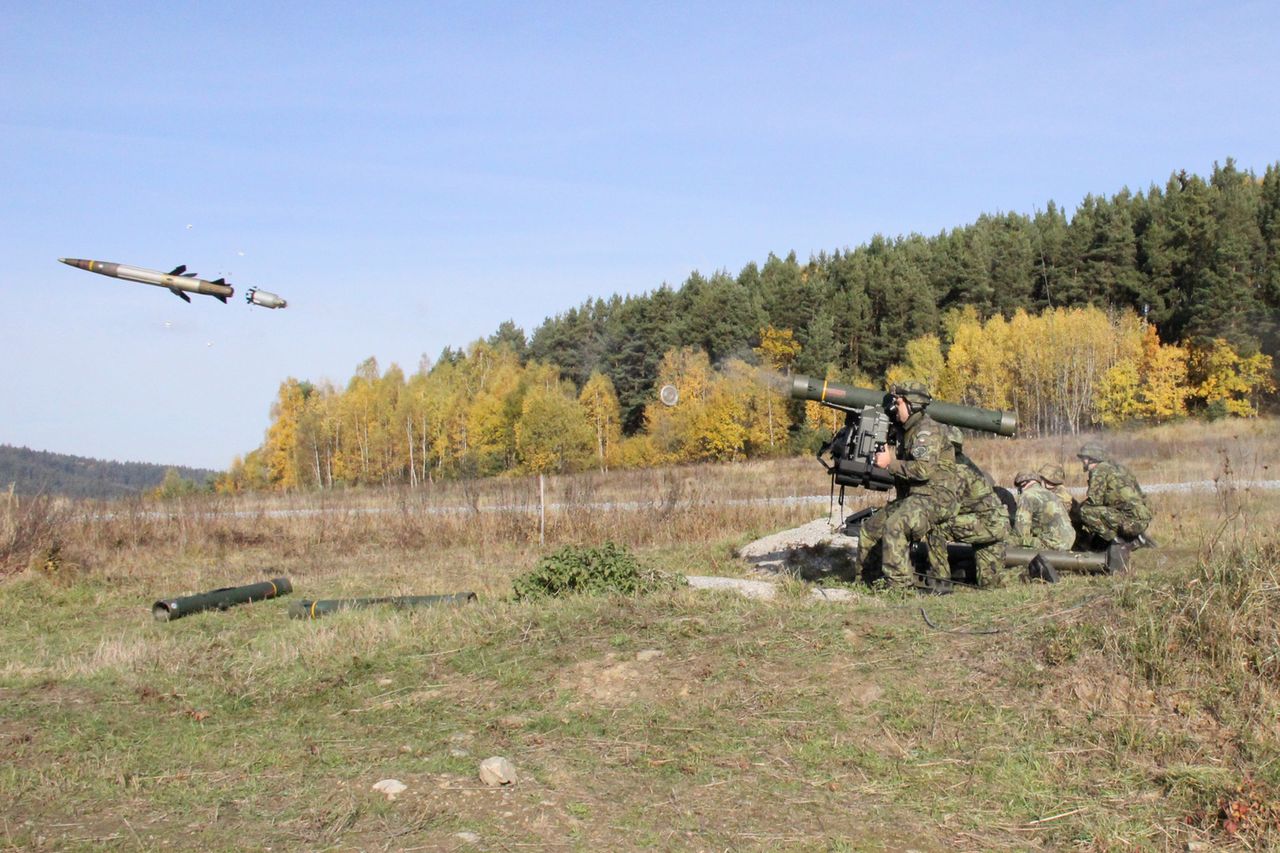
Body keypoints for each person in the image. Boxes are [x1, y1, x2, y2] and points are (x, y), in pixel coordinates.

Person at [856, 381, 959, 591]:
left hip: (936, 498)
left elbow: (923, 470)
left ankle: (899, 588)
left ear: (911, 405)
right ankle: (867, 582)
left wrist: (889, 463)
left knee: (895, 525)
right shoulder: (906, 430)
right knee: (870, 528)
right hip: (915, 497)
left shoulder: (927, 431)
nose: (894, 407)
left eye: (898, 402)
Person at [939, 427, 1012, 587]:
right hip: (996, 524)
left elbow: (944, 511)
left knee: (936, 527)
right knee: (990, 583)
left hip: (986, 523)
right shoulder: (965, 465)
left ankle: (940, 581)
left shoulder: (955, 471)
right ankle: (1032, 572)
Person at [1073, 442, 1153, 550]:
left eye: (1084, 458)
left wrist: (1077, 509)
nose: (1082, 461)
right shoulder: (1119, 468)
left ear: (1092, 458)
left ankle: (1117, 542)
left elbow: (1094, 502)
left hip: (1128, 520)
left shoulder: (1099, 470)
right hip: (1141, 518)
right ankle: (1135, 538)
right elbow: (1140, 495)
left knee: (1085, 511)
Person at [1013, 471, 1076, 552]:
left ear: (1023, 484)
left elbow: (1021, 531)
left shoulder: (1027, 495)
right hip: (1068, 541)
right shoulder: (1051, 494)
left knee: (1012, 541)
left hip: (1051, 543)